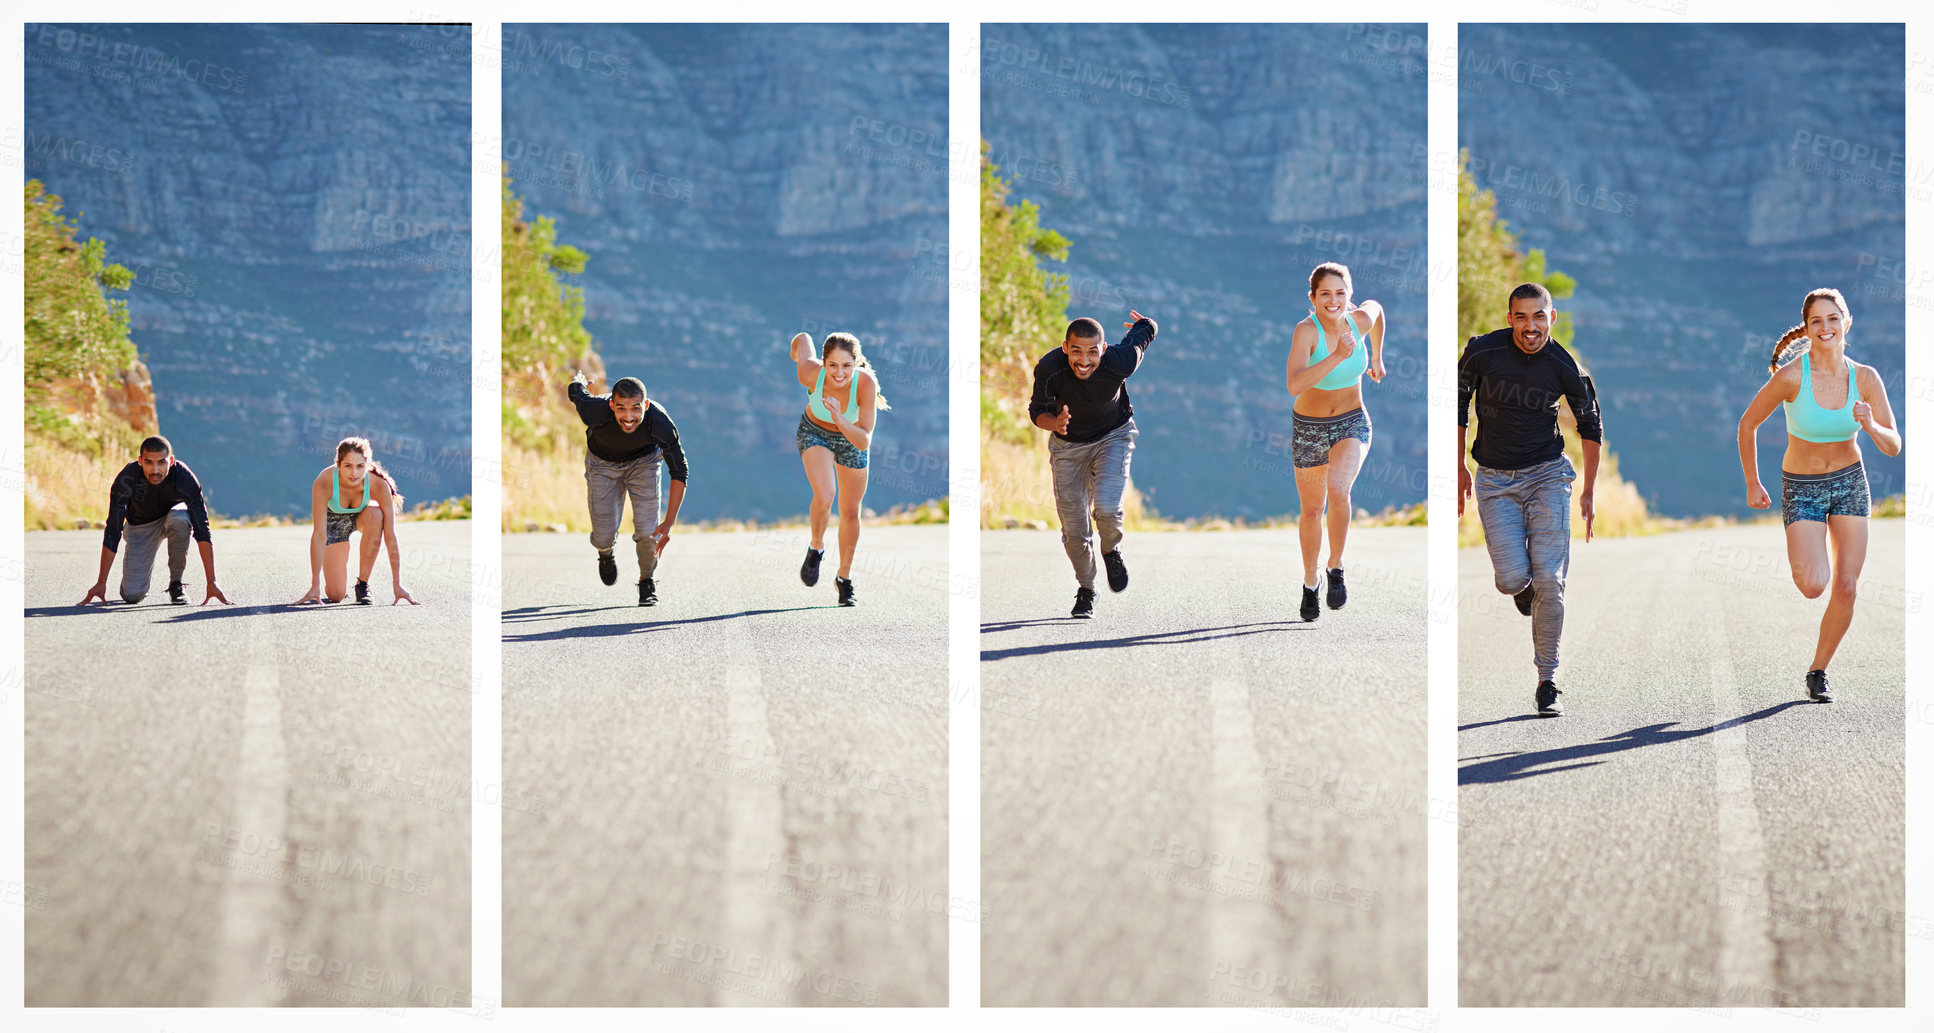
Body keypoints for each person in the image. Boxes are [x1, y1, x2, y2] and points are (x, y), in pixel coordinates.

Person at [1736, 288, 1901, 703]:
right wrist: (1753, 483)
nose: (1825, 328)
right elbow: (1747, 424)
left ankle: (1818, 670)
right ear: (1807, 329)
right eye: (1816, 321)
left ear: (1846, 323)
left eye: (1833, 319)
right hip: (1802, 486)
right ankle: (1809, 550)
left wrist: (1870, 424)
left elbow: (1893, 444)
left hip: (1849, 481)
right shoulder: (1793, 376)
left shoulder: (1865, 378)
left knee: (1846, 588)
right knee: (1814, 585)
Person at [1457, 283, 1601, 716]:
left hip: (1548, 476)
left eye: (1539, 316)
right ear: (1509, 319)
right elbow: (1456, 405)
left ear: (1551, 318)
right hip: (1495, 481)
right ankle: (1524, 587)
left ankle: (1547, 681)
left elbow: (1590, 427)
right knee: (1510, 580)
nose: (1530, 326)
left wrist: (1589, 490)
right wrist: (1459, 464)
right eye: (1521, 317)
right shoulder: (1482, 352)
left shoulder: (1564, 365)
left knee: (1552, 583)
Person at [1029, 310, 1159, 618]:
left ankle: (1111, 549)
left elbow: (1146, 332)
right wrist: (1055, 424)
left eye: (1092, 352)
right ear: (1065, 348)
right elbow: (1036, 411)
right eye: (1076, 351)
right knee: (1074, 531)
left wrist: (1145, 324)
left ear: (1103, 349)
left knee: (1107, 507)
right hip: (1068, 448)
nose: (1084, 360)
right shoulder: (1049, 368)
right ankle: (1087, 589)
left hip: (1113, 436)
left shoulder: (1120, 361)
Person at [1284, 262, 1387, 621]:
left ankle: (1335, 567)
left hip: (1352, 420)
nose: (1333, 300)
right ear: (1312, 298)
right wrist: (1337, 357)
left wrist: (1376, 356)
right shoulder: (1306, 332)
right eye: (1325, 294)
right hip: (1309, 426)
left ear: (1349, 295)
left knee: (1339, 490)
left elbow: (1377, 310)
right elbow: (1294, 385)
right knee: (1312, 509)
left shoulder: (1358, 322)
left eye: (1340, 293)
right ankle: (1311, 582)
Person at [568, 372, 689, 607]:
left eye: (635, 408)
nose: (629, 417)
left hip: (643, 463)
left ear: (645, 404)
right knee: (602, 536)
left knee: (648, 533)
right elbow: (576, 392)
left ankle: (647, 582)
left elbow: (680, 471)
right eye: (621, 408)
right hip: (601, 464)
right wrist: (579, 382)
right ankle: (605, 553)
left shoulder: (660, 423)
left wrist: (669, 523)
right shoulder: (595, 411)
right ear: (611, 405)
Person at [790, 331, 890, 606]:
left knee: (849, 511)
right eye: (832, 365)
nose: (839, 372)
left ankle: (844, 579)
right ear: (823, 363)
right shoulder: (810, 373)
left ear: (856, 364)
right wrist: (793, 349)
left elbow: (863, 439)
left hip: (852, 438)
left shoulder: (866, 384)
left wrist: (838, 416)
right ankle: (816, 546)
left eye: (847, 365)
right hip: (814, 433)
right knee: (825, 495)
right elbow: (802, 339)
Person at [79, 435, 229, 606]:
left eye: (161, 462)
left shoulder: (184, 478)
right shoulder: (127, 478)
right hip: (140, 526)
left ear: (171, 461)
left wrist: (212, 581)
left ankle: (176, 584)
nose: (155, 470)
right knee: (132, 596)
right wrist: (101, 582)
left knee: (180, 517)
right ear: (140, 461)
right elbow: (113, 530)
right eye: (149, 462)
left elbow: (202, 529)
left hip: (173, 518)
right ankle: (136, 581)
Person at [294, 437, 418, 605]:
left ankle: (362, 585)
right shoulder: (324, 482)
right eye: (348, 466)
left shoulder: (378, 485)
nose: (354, 473)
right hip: (334, 526)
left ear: (367, 465)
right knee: (336, 595)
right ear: (338, 465)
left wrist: (397, 584)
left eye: (360, 466)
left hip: (363, 518)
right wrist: (315, 583)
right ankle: (336, 582)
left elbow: (390, 535)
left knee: (376, 515)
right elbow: (319, 534)